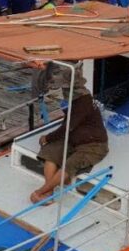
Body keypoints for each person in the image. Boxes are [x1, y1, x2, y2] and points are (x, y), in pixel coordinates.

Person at [31, 63, 108, 203]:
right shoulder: (73, 101)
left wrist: (48, 137)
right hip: (73, 139)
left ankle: (42, 191)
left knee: (70, 164)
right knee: (51, 151)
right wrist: (49, 140)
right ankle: (49, 190)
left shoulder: (83, 101)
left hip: (94, 145)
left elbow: (68, 127)